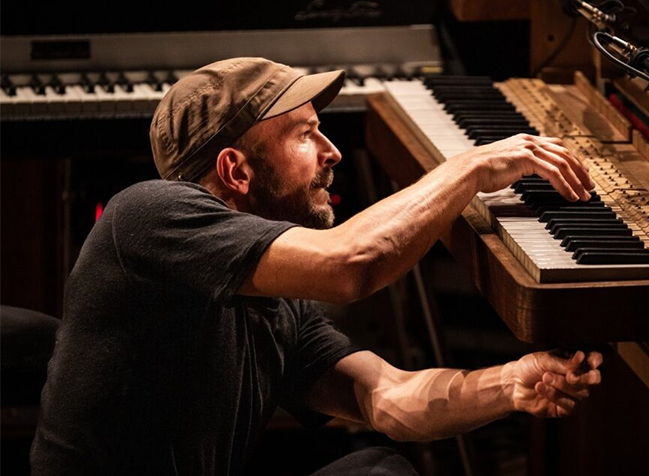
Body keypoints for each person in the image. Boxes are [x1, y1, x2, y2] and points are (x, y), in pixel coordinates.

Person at [30, 57, 602, 476]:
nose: (331, 152)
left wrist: (508, 382)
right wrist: (471, 168)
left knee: (378, 470)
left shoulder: (275, 301)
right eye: (305, 135)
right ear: (236, 171)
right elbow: (352, 265)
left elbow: (387, 398)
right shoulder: (148, 214)